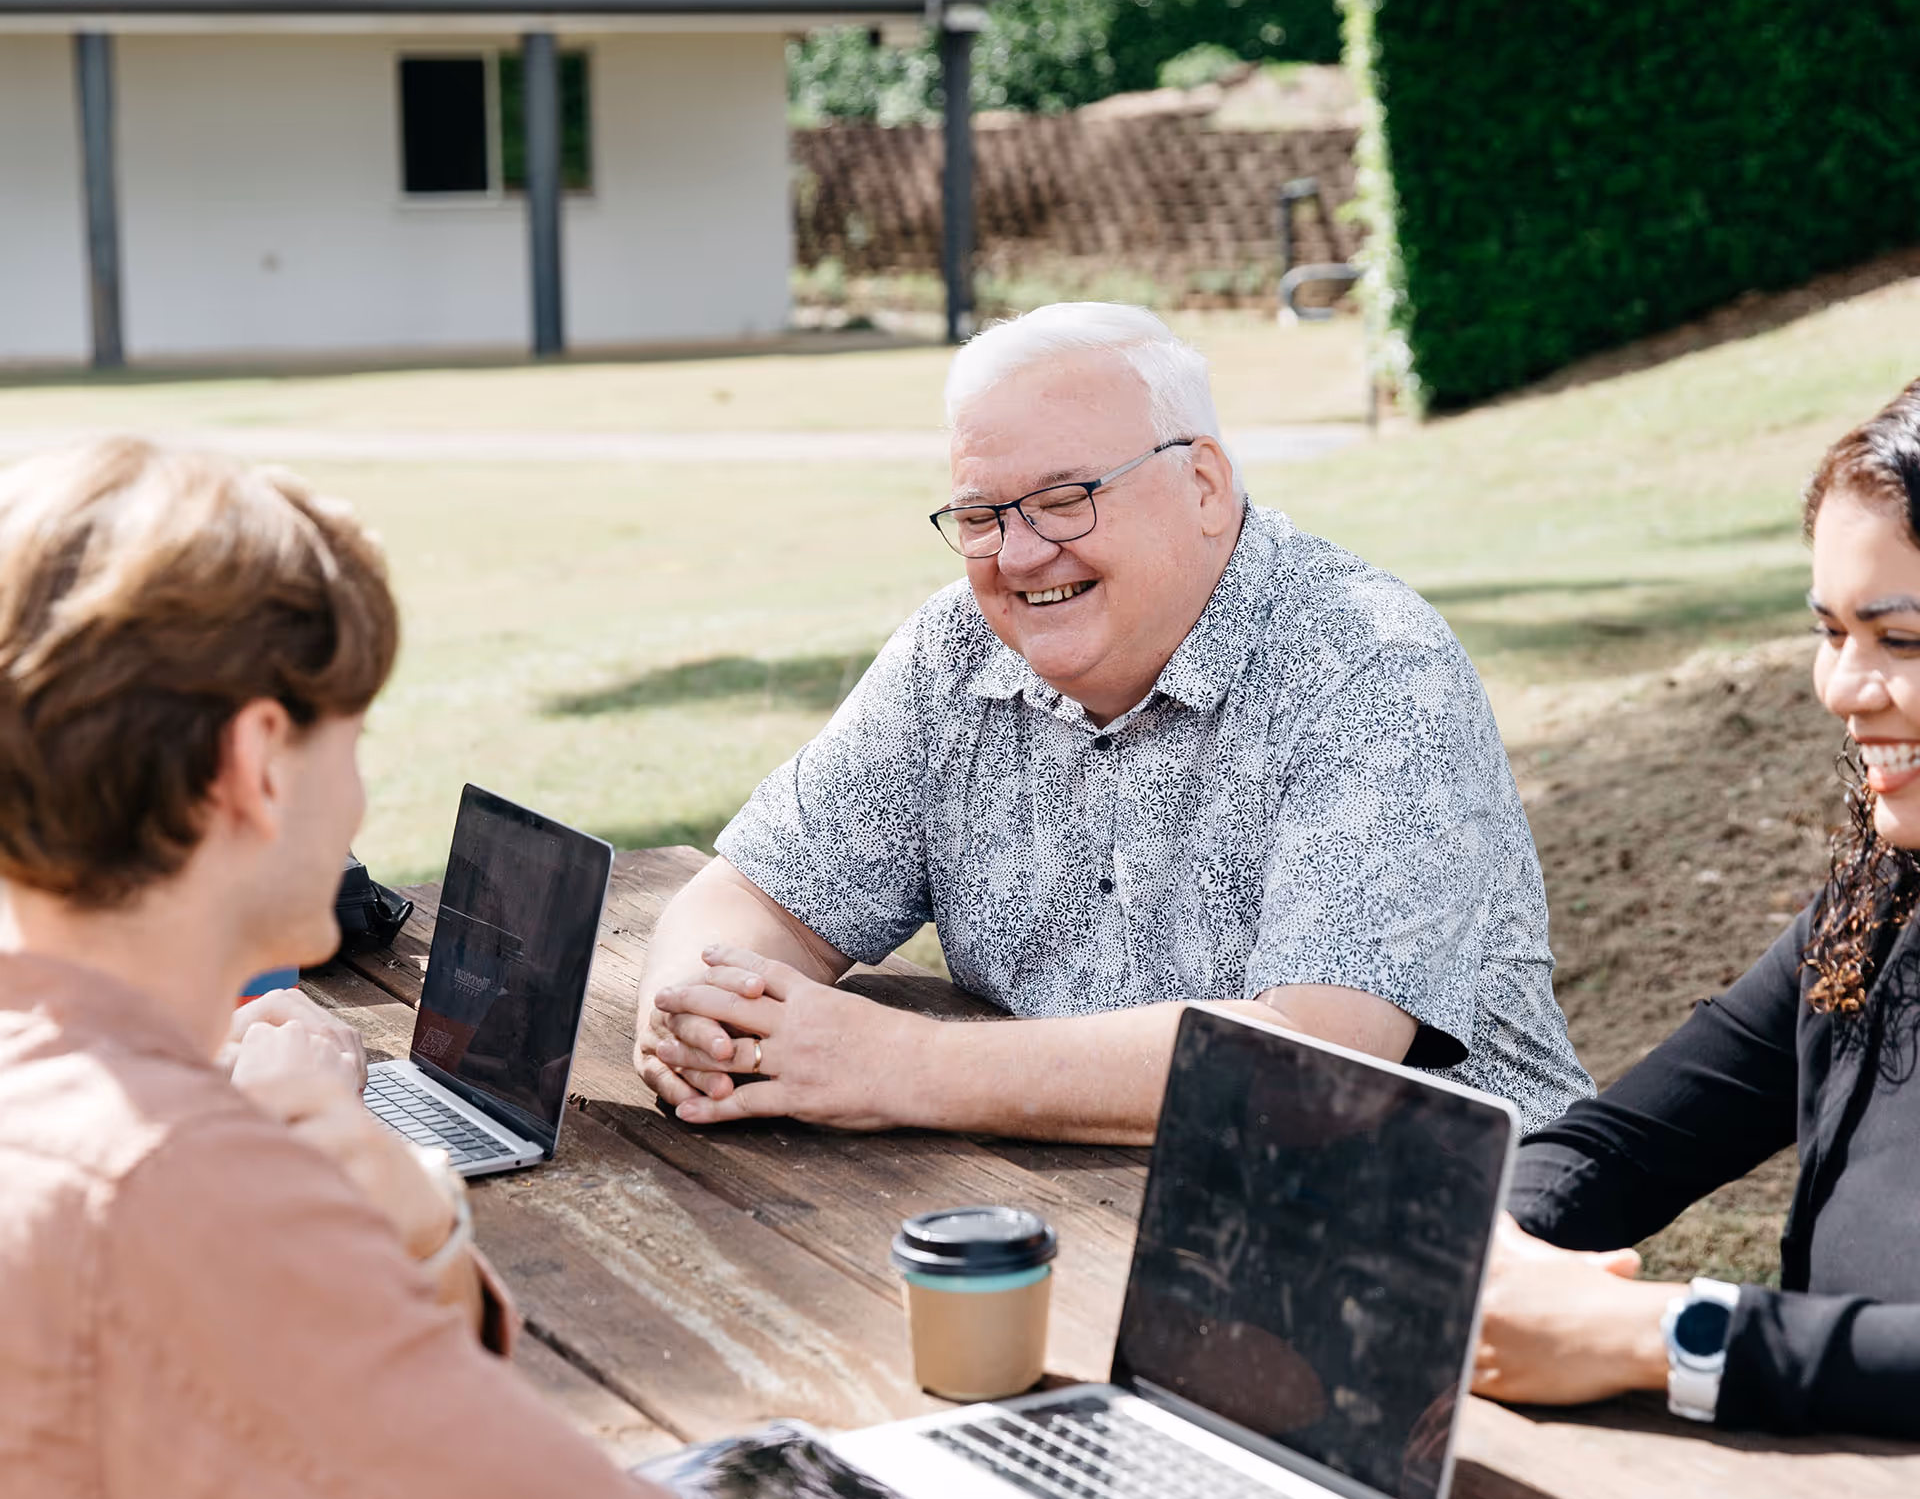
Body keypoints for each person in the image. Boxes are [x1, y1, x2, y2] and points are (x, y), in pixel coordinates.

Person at [0, 439, 794, 1499]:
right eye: (354, 740)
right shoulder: (177, 1204)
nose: (363, 791)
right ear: (258, 763)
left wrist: (405, 1224)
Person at [635, 304, 1592, 1142]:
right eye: (980, 516)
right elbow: (751, 899)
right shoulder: (955, 651)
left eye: (1063, 500)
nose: (1016, 554)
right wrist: (695, 1010)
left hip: (1441, 1238)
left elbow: (1317, 1063)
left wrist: (900, 1063)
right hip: (1087, 1196)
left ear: (1206, 487)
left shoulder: (1371, 666)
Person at [1475, 378, 1920, 1438]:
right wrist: (1498, 1251)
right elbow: (1624, 1143)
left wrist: (1665, 1336)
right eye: (1831, 633)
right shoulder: (1874, 908)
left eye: (1899, 641)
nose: (1845, 688)